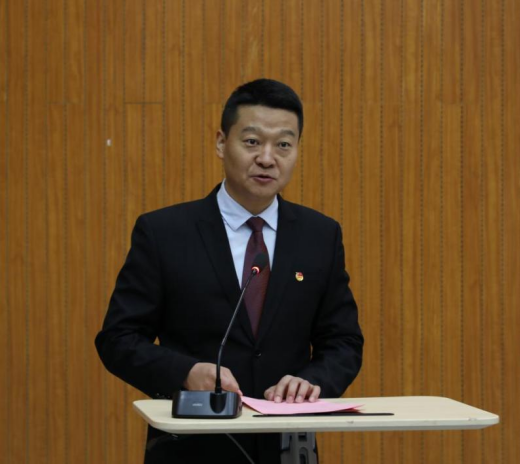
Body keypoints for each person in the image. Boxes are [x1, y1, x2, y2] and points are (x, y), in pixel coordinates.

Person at [95, 78, 363, 463]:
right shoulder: (165, 233)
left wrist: (312, 382)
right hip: (193, 448)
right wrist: (185, 372)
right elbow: (118, 339)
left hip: (287, 447)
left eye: (283, 145)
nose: (267, 158)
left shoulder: (320, 235)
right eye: (252, 141)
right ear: (222, 143)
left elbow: (343, 341)